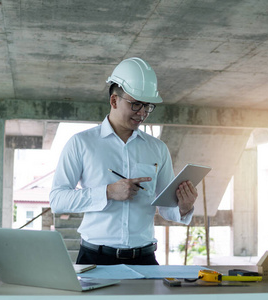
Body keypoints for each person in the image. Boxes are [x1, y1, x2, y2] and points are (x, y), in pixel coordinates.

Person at [49, 57, 198, 265]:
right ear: (114, 101)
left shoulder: (157, 149)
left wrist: (184, 206)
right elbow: (58, 200)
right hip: (95, 258)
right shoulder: (81, 144)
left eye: (147, 106)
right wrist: (108, 192)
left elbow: (166, 208)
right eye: (136, 104)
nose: (143, 113)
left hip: (145, 259)